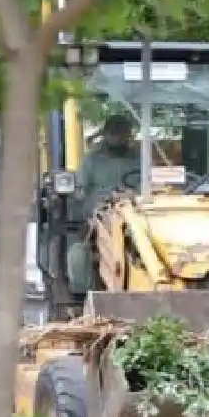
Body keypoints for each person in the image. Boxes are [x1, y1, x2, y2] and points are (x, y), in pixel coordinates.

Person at [67, 113, 140, 293]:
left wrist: (133, 194)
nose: (119, 137)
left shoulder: (138, 159)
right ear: (106, 134)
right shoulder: (91, 160)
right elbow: (79, 190)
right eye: (115, 132)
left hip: (136, 218)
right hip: (99, 219)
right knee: (79, 253)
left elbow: (150, 186)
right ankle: (85, 291)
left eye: (123, 133)